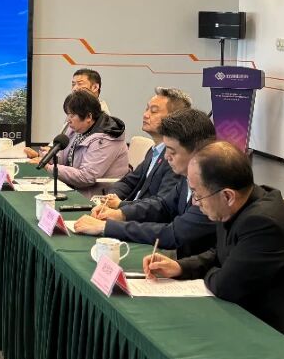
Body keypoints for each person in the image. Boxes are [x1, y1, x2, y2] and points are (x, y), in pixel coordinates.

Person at [143, 143, 284, 359]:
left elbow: (226, 286)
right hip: (269, 327)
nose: (195, 202)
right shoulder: (239, 205)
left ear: (227, 195)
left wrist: (215, 272)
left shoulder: (263, 222)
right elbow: (221, 253)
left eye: (198, 194)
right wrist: (180, 267)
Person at [73, 108, 216, 258]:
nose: (166, 157)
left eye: (172, 151)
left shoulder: (211, 187)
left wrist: (106, 227)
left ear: (197, 151)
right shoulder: (186, 179)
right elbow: (163, 206)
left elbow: (173, 234)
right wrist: (121, 214)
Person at [95, 87, 193, 209]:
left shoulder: (175, 158)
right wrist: (111, 197)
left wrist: (120, 205)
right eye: (147, 109)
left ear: (174, 118)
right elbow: (129, 181)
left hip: (141, 217)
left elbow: (162, 205)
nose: (145, 115)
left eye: (154, 111)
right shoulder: (154, 150)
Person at [38, 89, 128, 190]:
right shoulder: (77, 129)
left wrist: (48, 168)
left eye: (72, 115)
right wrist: (43, 156)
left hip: (98, 195)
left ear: (88, 116)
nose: (68, 120)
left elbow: (87, 177)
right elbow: (63, 160)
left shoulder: (106, 139)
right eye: (67, 115)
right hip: (74, 188)